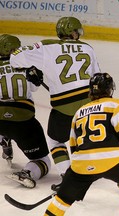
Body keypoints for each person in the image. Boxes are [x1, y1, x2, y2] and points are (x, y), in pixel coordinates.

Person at [44, 73, 119, 216]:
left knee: (61, 200)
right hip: (113, 162)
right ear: (110, 89)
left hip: (81, 165)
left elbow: (73, 145)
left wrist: (82, 169)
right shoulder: (117, 105)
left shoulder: (79, 112)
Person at [10, 17, 101, 176]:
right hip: (89, 101)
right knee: (92, 135)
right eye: (76, 31)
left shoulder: (46, 46)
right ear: (72, 33)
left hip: (63, 104)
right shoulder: (87, 48)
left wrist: (30, 69)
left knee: (56, 140)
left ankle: (67, 174)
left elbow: (15, 57)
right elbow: (97, 78)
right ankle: (112, 164)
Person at [0, 34, 51, 188]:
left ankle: (3, 137)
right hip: (23, 121)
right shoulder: (29, 66)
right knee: (43, 161)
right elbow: (34, 87)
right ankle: (27, 173)